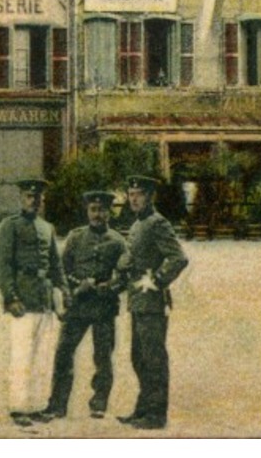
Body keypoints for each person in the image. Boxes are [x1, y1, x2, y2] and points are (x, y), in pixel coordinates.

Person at [43, 189, 127, 422]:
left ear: (109, 212)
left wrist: (109, 286)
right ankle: (57, 404)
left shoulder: (118, 242)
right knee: (63, 353)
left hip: (104, 307)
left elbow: (124, 276)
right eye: (93, 209)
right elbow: (61, 270)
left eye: (102, 210)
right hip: (78, 305)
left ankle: (99, 402)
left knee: (103, 357)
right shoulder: (75, 237)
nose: (97, 214)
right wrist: (78, 286)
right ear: (87, 211)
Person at [0, 178, 65, 428]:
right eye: (29, 197)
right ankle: (19, 406)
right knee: (22, 355)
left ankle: (36, 405)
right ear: (21, 198)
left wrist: (63, 293)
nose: (35, 201)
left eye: (39, 198)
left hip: (44, 300)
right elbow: (2, 265)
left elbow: (56, 265)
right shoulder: (9, 226)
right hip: (22, 298)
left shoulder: (47, 228)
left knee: (43, 355)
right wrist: (10, 296)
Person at [117, 174, 188, 430]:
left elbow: (178, 258)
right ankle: (143, 408)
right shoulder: (137, 225)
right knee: (139, 357)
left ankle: (156, 414)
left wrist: (157, 281)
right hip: (137, 300)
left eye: (139, 194)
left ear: (150, 197)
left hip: (152, 301)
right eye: (131, 194)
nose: (134, 199)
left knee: (153, 358)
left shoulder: (158, 223)